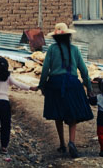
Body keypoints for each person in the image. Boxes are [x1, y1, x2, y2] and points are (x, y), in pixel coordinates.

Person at [37, 23, 93, 158]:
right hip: (73, 84)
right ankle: (71, 142)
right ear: (68, 36)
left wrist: (42, 85)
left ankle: (62, 144)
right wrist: (89, 88)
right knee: (72, 115)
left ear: (55, 38)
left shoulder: (51, 49)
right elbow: (84, 71)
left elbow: (45, 70)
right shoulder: (75, 49)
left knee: (58, 114)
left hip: (55, 85)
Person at [0, 57, 36, 159]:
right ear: (7, 67)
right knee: (5, 124)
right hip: (4, 102)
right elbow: (18, 84)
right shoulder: (8, 76)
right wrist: (30, 88)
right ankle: (4, 147)